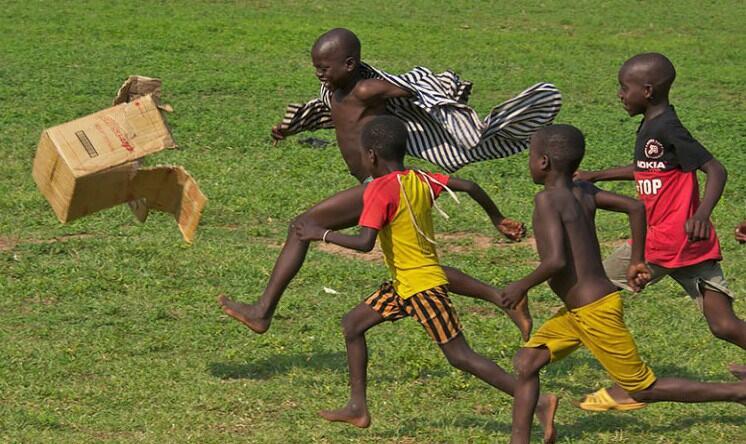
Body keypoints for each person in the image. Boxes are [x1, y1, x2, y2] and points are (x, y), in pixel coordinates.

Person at [218, 28, 562, 340]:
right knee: (421, 269)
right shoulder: (334, 90)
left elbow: (413, 91)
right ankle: (503, 298)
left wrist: (443, 93)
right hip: (384, 183)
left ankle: (263, 311)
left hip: (379, 185)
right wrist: (292, 127)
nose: (319, 73)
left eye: (325, 67)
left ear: (351, 64)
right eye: (316, 67)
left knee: (301, 226)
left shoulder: (367, 89)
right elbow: (335, 117)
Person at [295, 116, 559, 441]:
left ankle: (539, 402)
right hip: (405, 286)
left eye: (363, 155)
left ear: (372, 156)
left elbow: (364, 243)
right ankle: (357, 407)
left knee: (461, 357)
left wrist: (320, 233)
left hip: (421, 288)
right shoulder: (419, 179)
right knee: (352, 324)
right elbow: (469, 186)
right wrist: (497, 218)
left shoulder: (379, 190)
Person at [496, 124, 746, 444]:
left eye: (530, 156)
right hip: (580, 311)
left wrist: (520, 285)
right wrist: (638, 259)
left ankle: (738, 392)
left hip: (593, 311)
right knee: (527, 362)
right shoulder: (582, 191)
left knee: (643, 388)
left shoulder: (547, 201)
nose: (529, 163)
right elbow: (636, 206)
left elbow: (555, 260)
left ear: (543, 162)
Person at [573, 53, 746, 408]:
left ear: (647, 91)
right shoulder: (653, 125)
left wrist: (702, 212)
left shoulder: (668, 127)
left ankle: (623, 382)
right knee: (724, 325)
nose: (620, 95)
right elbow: (647, 168)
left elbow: (716, 169)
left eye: (625, 87)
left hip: (667, 241)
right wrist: (597, 175)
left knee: (590, 291)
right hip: (688, 246)